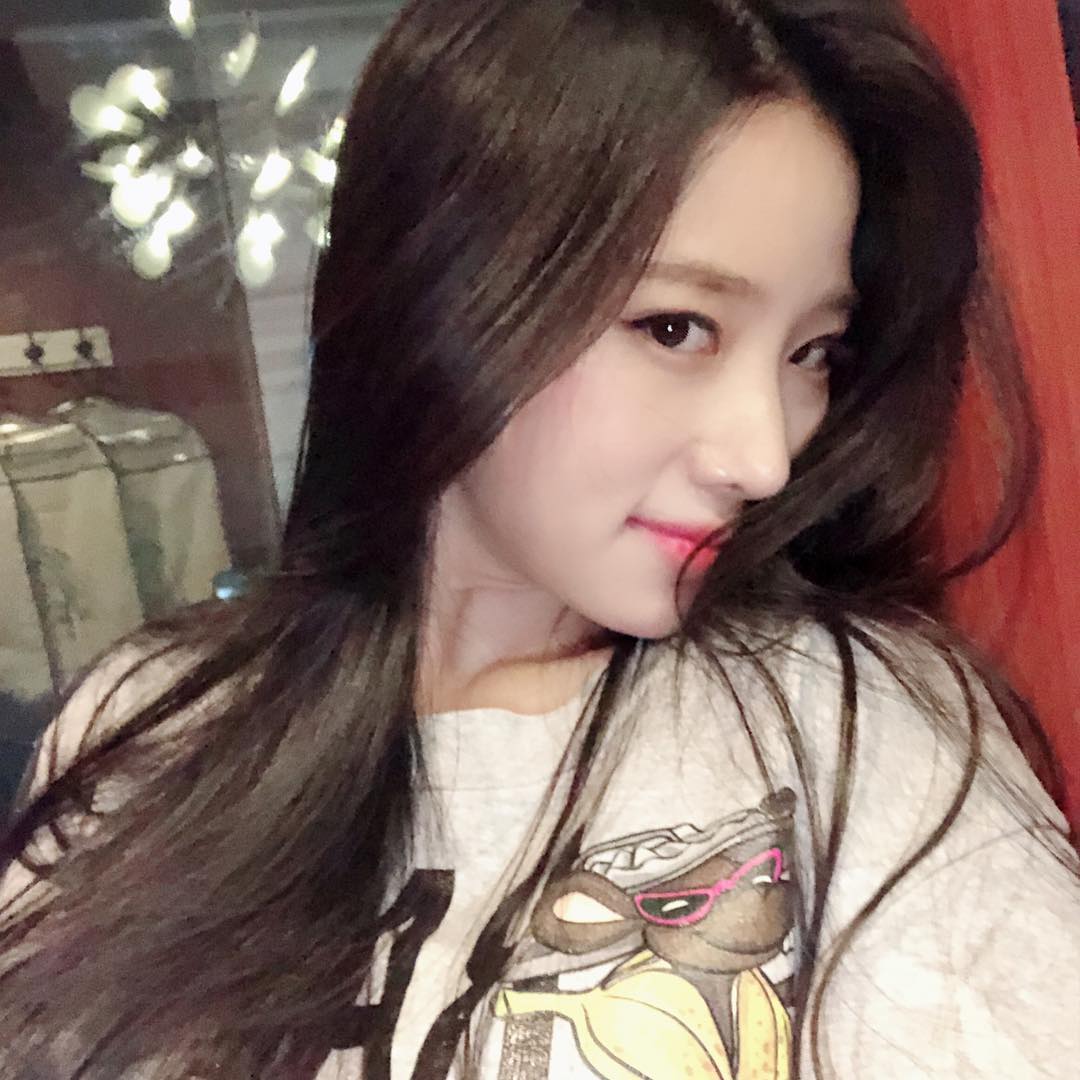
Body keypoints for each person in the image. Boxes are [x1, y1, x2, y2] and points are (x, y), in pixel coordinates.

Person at [1, 0, 1078, 1077]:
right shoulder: (154, 722)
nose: (765, 458)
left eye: (813, 354)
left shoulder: (855, 722)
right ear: (441, 292)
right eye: (677, 328)